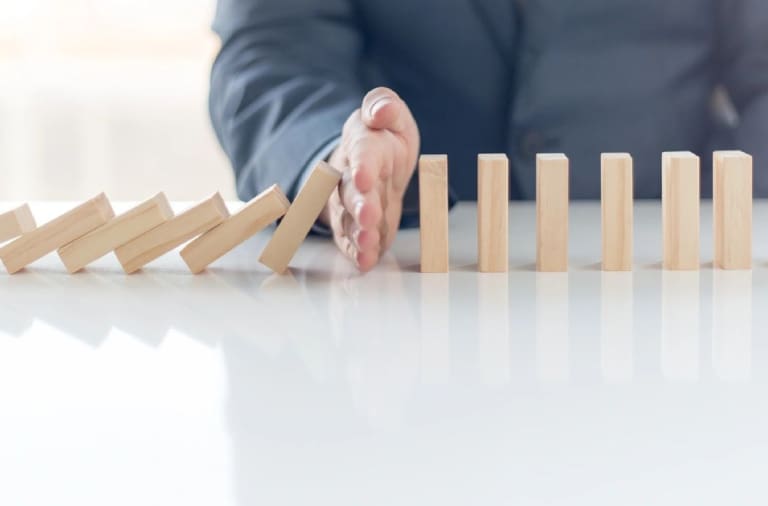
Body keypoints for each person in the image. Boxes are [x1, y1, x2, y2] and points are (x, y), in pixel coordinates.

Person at [209, 0, 768, 272]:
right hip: (403, 283)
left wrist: (731, 213)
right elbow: (273, 49)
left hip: (676, 288)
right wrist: (336, 161)